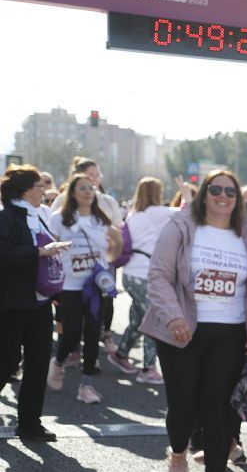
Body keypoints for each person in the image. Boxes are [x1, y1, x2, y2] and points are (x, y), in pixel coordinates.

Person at [140, 170, 247, 472]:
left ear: (237, 199)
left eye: (230, 191)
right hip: (183, 330)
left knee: (218, 404)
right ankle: (178, 451)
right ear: (204, 195)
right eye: (215, 189)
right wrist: (174, 316)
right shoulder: (181, 227)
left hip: (230, 331)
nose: (223, 196)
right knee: (183, 403)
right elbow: (159, 275)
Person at [0, 165, 70, 441]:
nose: (45, 190)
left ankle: (30, 424)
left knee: (39, 361)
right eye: (40, 185)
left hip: (40, 300)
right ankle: (28, 422)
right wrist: (41, 251)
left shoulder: (39, 215)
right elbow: (3, 253)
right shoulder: (6, 217)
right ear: (27, 190)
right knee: (7, 361)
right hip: (11, 301)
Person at [47, 173, 123, 405]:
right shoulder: (59, 219)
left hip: (95, 286)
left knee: (92, 333)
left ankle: (86, 385)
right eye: (83, 188)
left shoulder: (101, 220)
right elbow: (49, 249)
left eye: (91, 188)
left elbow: (115, 247)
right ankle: (58, 362)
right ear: (72, 193)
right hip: (69, 286)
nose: (89, 191)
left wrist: (112, 253)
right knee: (70, 334)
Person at [108, 177, 178, 384]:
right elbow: (188, 214)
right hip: (145, 275)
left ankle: (120, 355)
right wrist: (187, 193)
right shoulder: (159, 212)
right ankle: (148, 369)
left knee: (139, 320)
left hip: (130, 275)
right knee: (153, 322)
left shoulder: (133, 215)